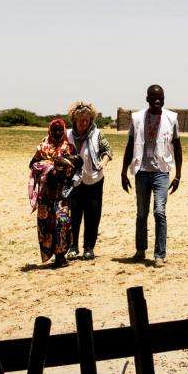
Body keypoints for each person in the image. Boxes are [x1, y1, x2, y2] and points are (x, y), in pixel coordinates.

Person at [120, 84, 182, 267]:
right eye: (154, 97)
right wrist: (124, 172)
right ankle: (140, 250)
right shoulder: (137, 118)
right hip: (141, 172)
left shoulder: (172, 118)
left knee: (159, 212)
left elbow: (177, 147)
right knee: (141, 214)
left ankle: (159, 254)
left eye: (161, 97)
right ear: (147, 98)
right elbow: (130, 145)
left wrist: (178, 175)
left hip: (161, 172)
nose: (158, 100)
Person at [65, 101, 112, 260]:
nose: (84, 123)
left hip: (94, 180)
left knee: (93, 215)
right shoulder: (68, 135)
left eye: (87, 120)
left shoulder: (97, 134)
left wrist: (104, 161)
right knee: (74, 215)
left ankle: (89, 248)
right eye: (81, 120)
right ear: (74, 120)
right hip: (74, 182)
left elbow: (107, 151)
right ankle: (72, 247)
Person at [28, 119, 77, 268]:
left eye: (60, 130)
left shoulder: (69, 148)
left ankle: (61, 256)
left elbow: (76, 167)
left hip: (62, 194)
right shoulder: (43, 147)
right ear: (49, 130)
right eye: (54, 130)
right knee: (47, 225)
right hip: (45, 194)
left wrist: (65, 166)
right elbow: (32, 164)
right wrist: (48, 166)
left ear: (64, 130)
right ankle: (53, 255)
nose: (57, 132)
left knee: (61, 223)